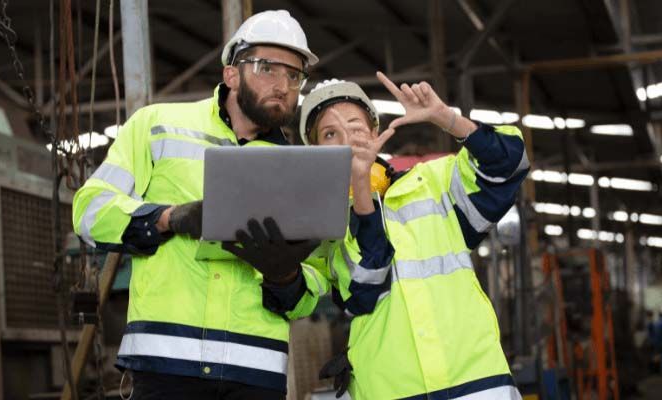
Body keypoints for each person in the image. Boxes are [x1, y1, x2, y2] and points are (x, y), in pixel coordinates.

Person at [72, 10, 329, 400]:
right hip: (165, 362)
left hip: (255, 370)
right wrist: (167, 219)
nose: (283, 85)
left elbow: (313, 285)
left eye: (294, 75)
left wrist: (286, 278)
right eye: (267, 68)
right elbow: (89, 211)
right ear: (231, 73)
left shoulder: (301, 169)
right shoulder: (157, 125)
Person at [300, 75, 528, 400]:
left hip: (478, 384)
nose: (347, 139)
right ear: (315, 152)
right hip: (392, 391)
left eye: (355, 125)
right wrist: (360, 186)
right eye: (330, 134)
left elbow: (509, 164)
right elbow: (365, 287)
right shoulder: (326, 228)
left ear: (376, 132)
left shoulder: (436, 183)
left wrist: (446, 119)